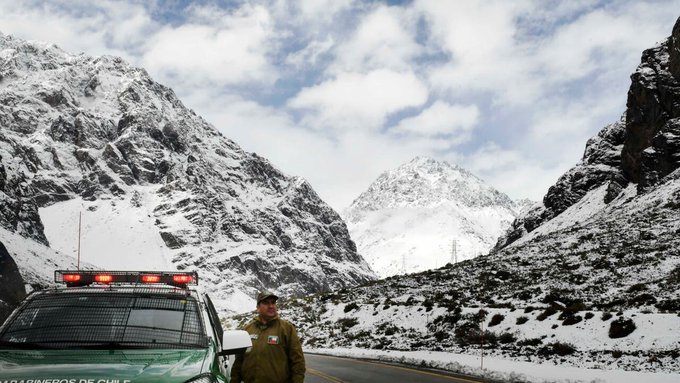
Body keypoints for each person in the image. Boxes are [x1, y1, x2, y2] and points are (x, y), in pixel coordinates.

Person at [230, 291, 306, 383]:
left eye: (273, 303)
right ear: (258, 308)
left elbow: (298, 362)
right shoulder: (247, 329)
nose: (271, 306)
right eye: (266, 303)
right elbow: (238, 361)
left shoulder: (287, 329)